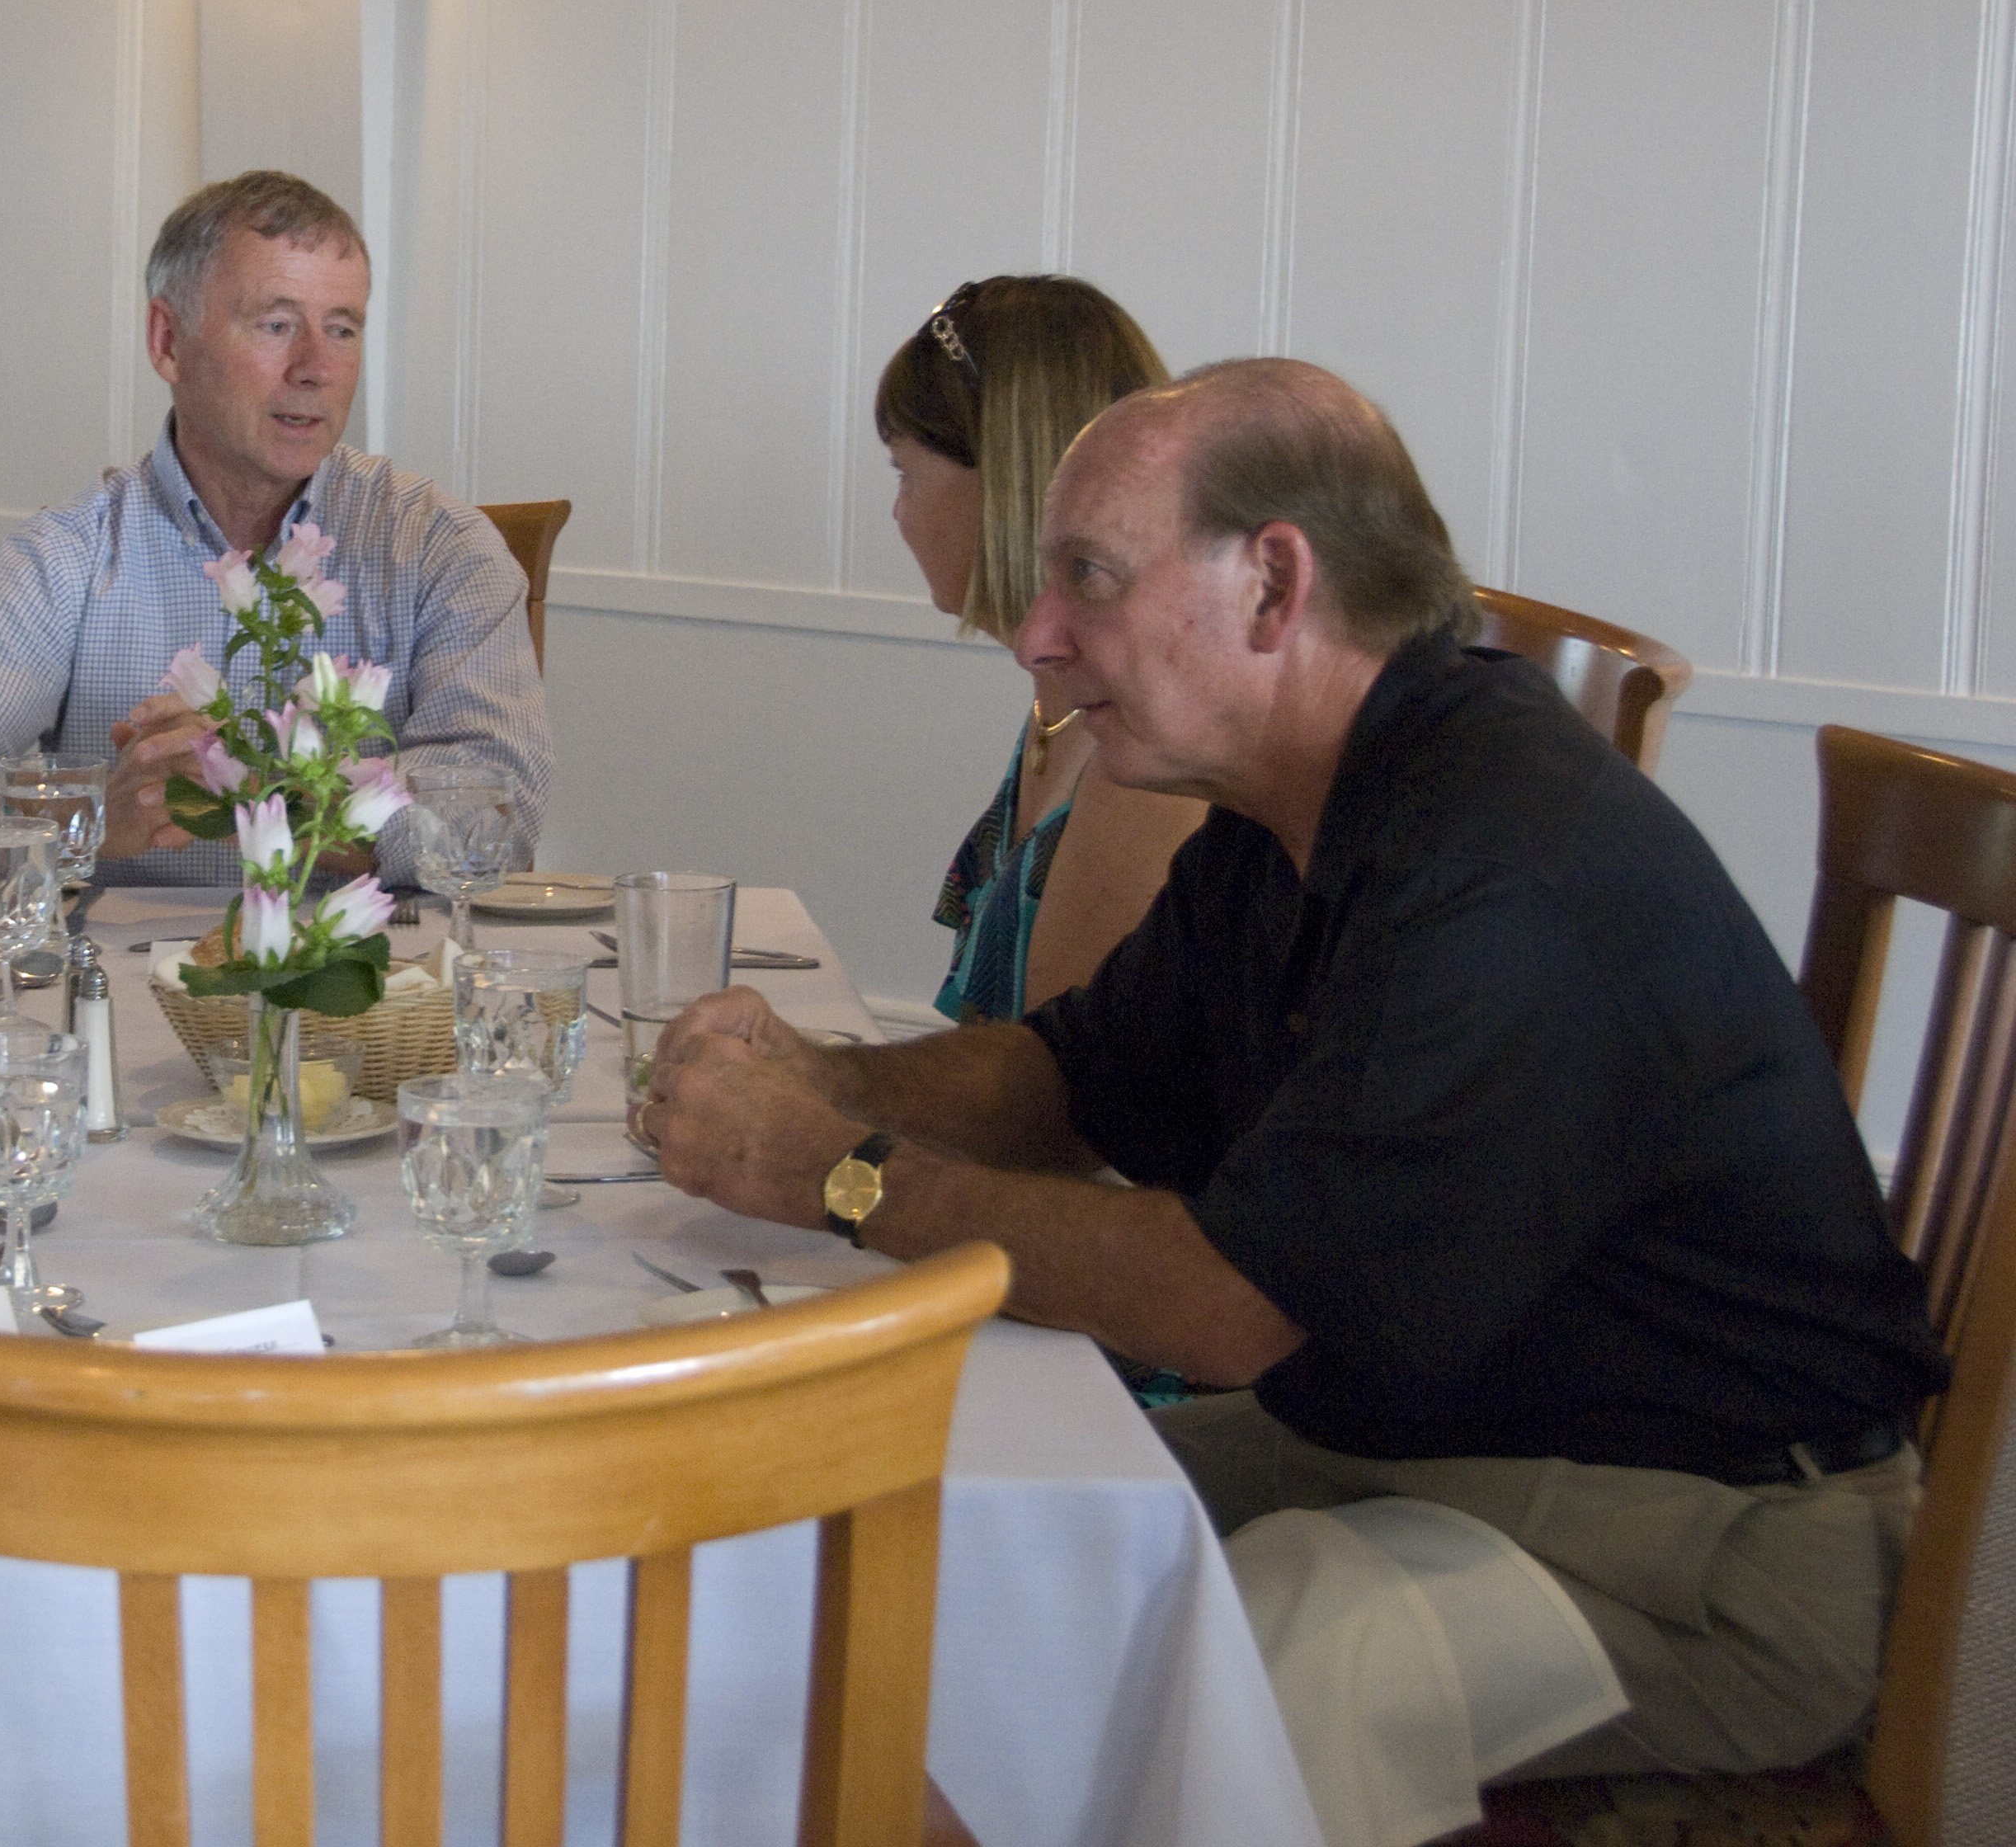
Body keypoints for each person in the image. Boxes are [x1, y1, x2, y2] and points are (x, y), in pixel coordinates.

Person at [645, 360, 1943, 1847]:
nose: (1038, 631)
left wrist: (843, 1171)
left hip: (1708, 1548)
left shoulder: (1499, 865)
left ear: (1272, 583)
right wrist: (825, 1080)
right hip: (1445, 1446)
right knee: (921, 1521)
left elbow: (1226, 1307)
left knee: (1217, 1663)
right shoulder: (1297, 802)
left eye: (1088, 576)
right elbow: (1073, 1076)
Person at [0, 170, 549, 888]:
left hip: (365, 959)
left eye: (342, 329)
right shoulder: (72, 554)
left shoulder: (439, 548)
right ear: (168, 340)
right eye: (276, 325)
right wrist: (86, 820)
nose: (316, 368)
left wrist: (265, 795)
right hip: (124, 963)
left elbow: (498, 818)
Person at [875, 275, 1206, 1022]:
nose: (897, 511)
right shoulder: (1058, 708)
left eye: (905, 473)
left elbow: (1056, 1079)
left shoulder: (1143, 764)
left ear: (1004, 486)